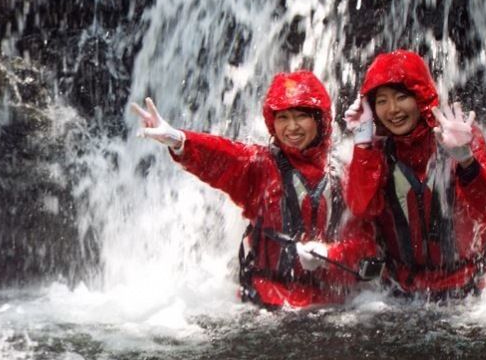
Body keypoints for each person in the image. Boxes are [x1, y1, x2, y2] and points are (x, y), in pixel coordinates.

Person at [131, 70, 379, 309]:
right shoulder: (261, 167)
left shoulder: (342, 172)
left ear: (320, 119)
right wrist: (179, 141)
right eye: (282, 118)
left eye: (300, 116)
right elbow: (222, 156)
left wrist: (330, 253)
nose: (291, 127)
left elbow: (363, 243)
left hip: (331, 305)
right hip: (268, 302)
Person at [343, 49, 486, 299]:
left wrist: (467, 161)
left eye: (401, 97)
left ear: (420, 97)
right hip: (402, 291)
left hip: (468, 289)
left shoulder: (458, 136)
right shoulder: (376, 151)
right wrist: (363, 141)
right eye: (382, 101)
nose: (393, 109)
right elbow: (361, 208)